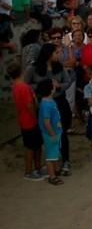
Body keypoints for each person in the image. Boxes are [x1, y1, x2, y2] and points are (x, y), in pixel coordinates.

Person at [25, 43, 73, 176]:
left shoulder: (59, 67)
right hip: (44, 103)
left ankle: (65, 160)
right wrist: (42, 87)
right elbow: (27, 84)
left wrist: (59, 86)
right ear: (48, 54)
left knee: (61, 131)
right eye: (56, 53)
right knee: (47, 133)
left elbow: (67, 81)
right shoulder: (33, 68)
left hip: (59, 101)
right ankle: (49, 164)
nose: (59, 55)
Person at [8, 63, 43, 181]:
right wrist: (35, 117)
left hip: (24, 119)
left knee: (36, 145)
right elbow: (29, 105)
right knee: (31, 147)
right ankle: (28, 171)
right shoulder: (23, 87)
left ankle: (37, 167)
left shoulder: (16, 86)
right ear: (22, 71)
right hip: (29, 120)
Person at [36, 79, 64, 186]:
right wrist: (52, 135)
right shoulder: (46, 105)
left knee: (54, 153)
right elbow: (46, 122)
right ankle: (52, 176)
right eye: (53, 85)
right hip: (50, 134)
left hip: (55, 132)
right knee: (50, 156)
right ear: (51, 89)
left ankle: (56, 170)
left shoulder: (49, 101)